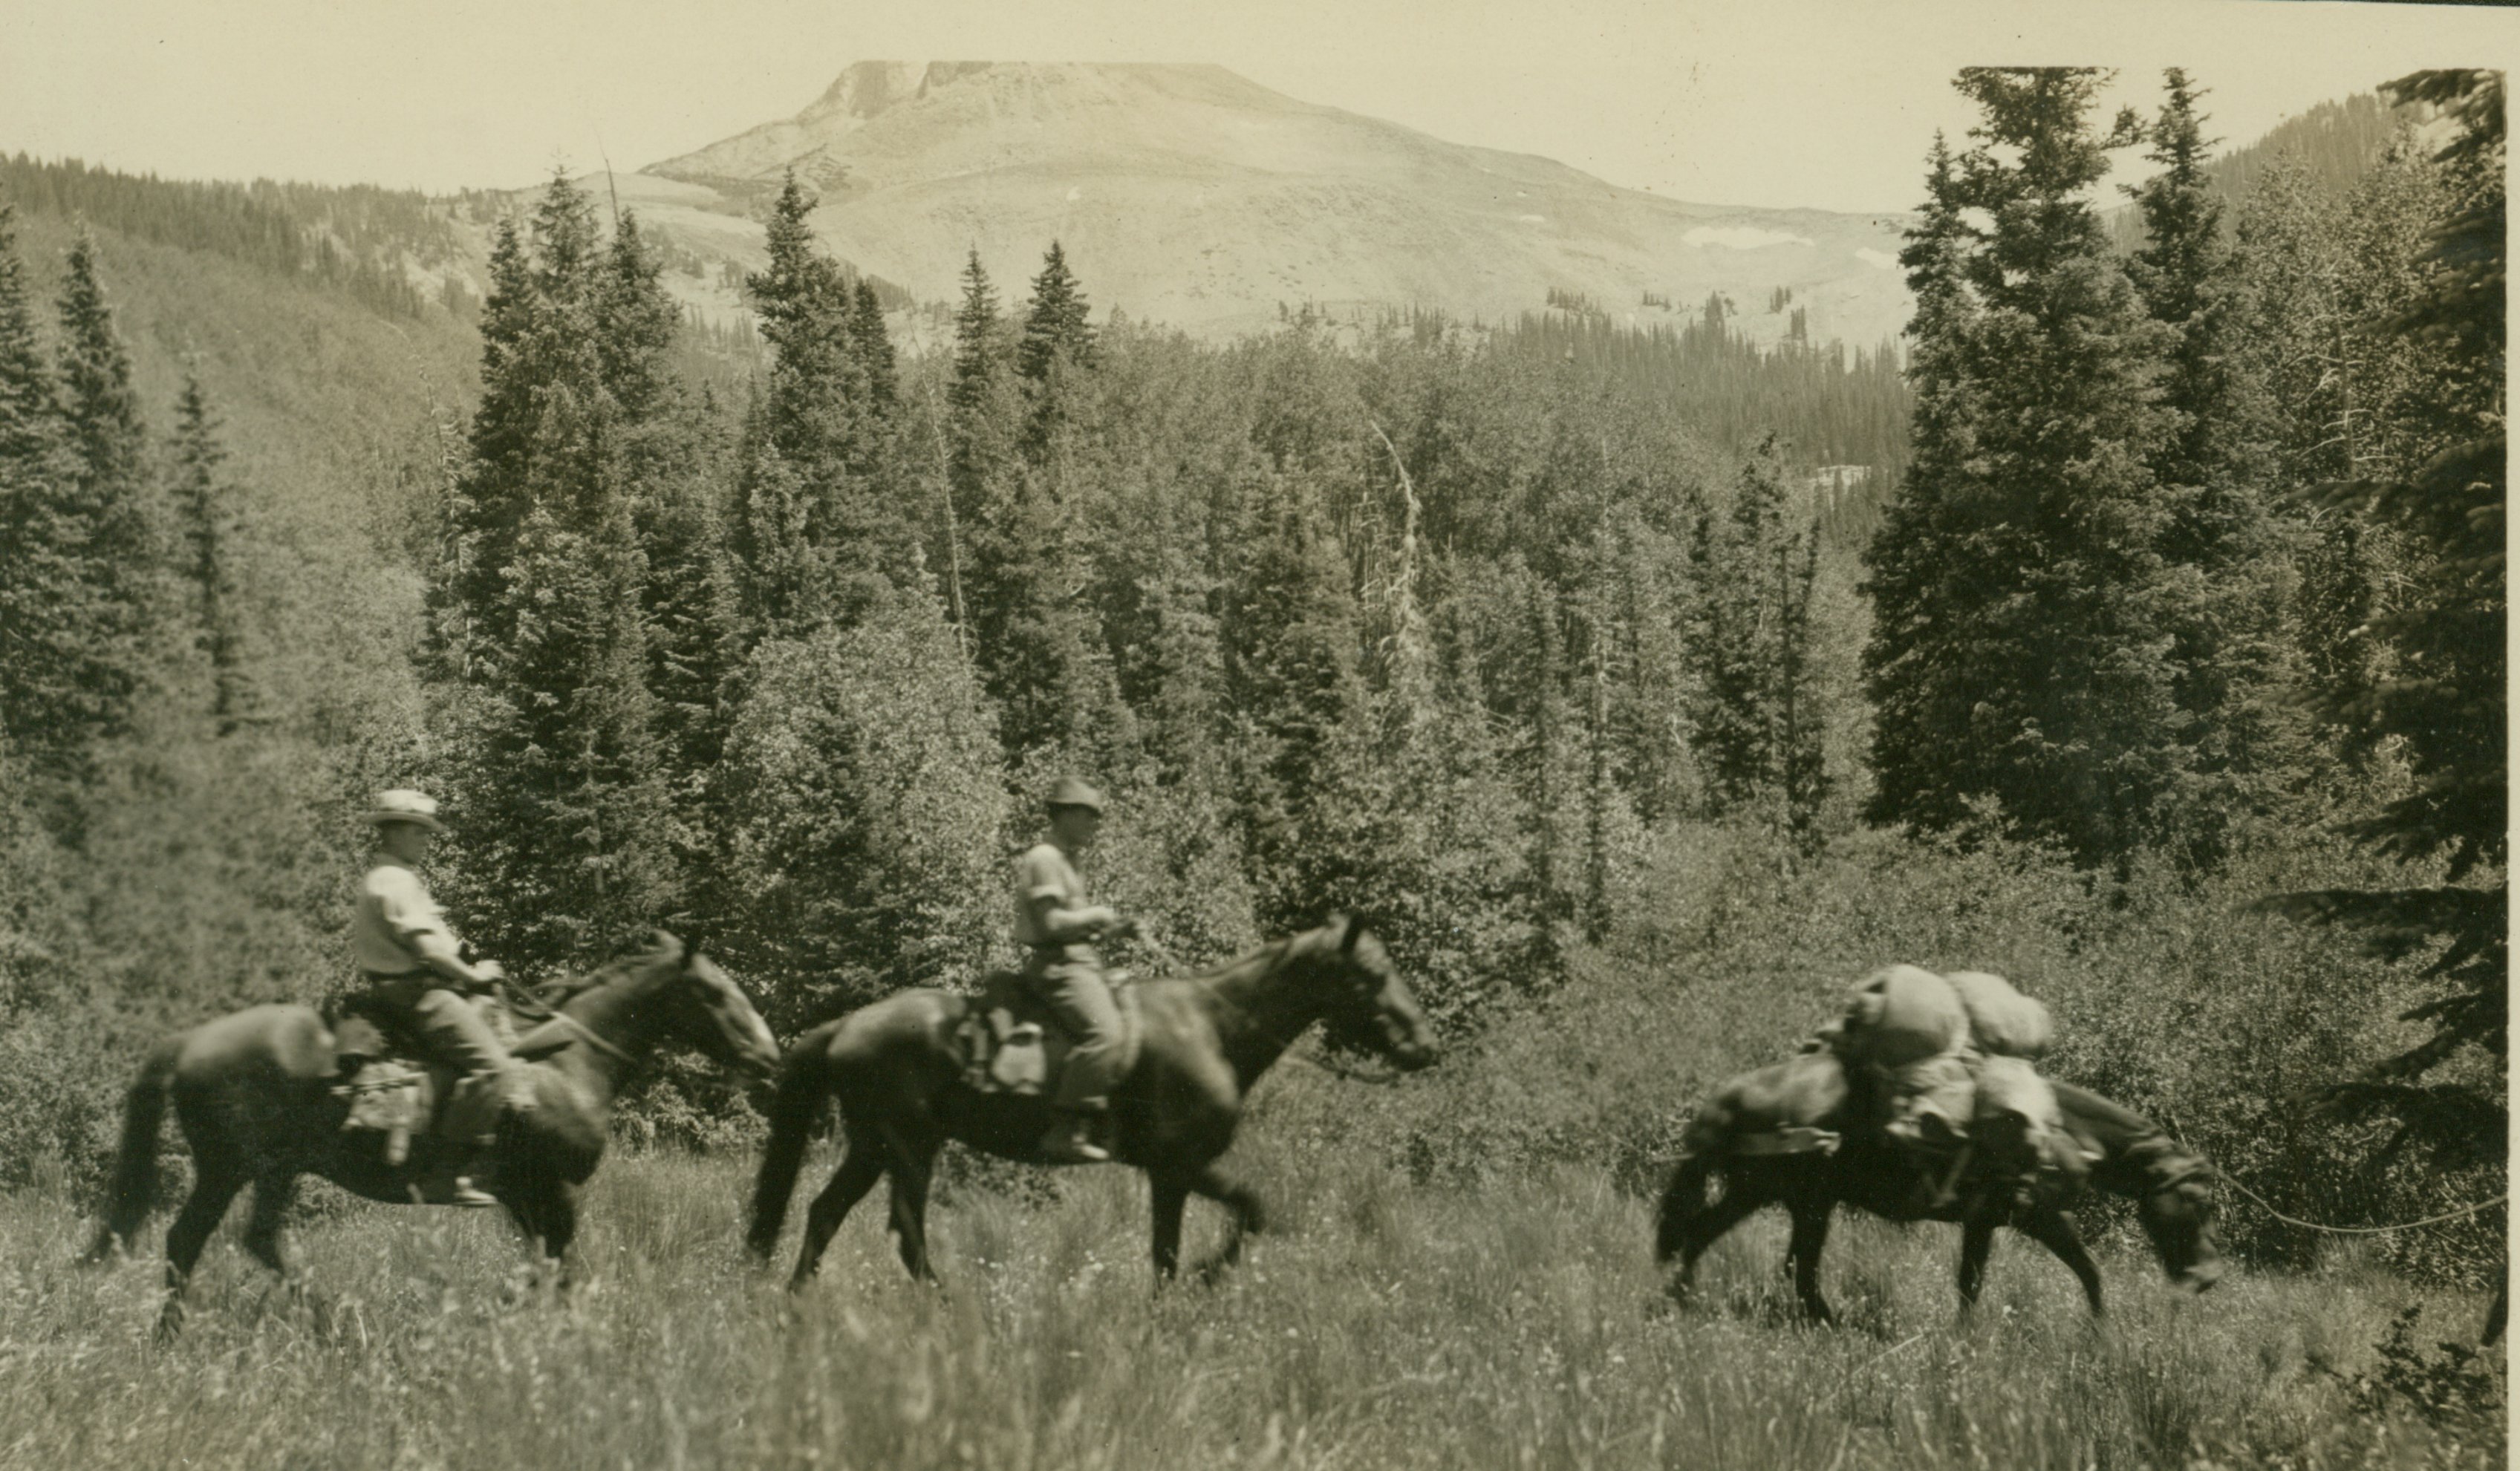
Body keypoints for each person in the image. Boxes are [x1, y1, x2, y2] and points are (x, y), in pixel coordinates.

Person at [350, 789, 529, 1207]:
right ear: (392, 831)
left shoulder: (383, 876)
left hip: (401, 990)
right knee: (498, 1068)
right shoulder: (396, 881)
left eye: (427, 833)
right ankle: (447, 1176)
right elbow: (430, 952)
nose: (426, 841)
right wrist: (476, 976)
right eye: (419, 832)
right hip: (421, 995)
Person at [1014, 777, 1133, 1164]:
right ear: (1064, 814)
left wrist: (1116, 929)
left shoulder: (1069, 860)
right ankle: (1065, 1130)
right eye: (1088, 815)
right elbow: (1052, 923)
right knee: (1107, 1034)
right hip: (1058, 966)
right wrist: (1097, 914)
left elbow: (1076, 925)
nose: (1095, 824)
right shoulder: (1045, 858)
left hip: (1079, 962)